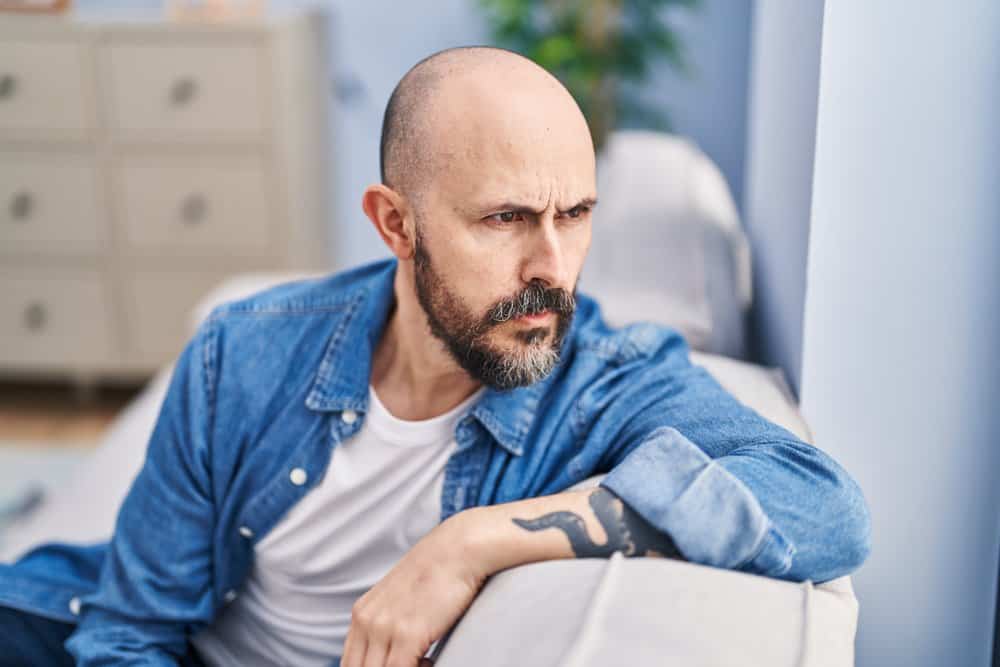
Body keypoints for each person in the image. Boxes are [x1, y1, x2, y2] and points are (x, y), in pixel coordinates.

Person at [0, 46, 871, 667]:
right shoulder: (244, 348)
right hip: (58, 615)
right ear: (395, 223)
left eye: (575, 213)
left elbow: (826, 508)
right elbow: (129, 628)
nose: (554, 269)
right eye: (506, 219)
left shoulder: (604, 382)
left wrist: (473, 541)